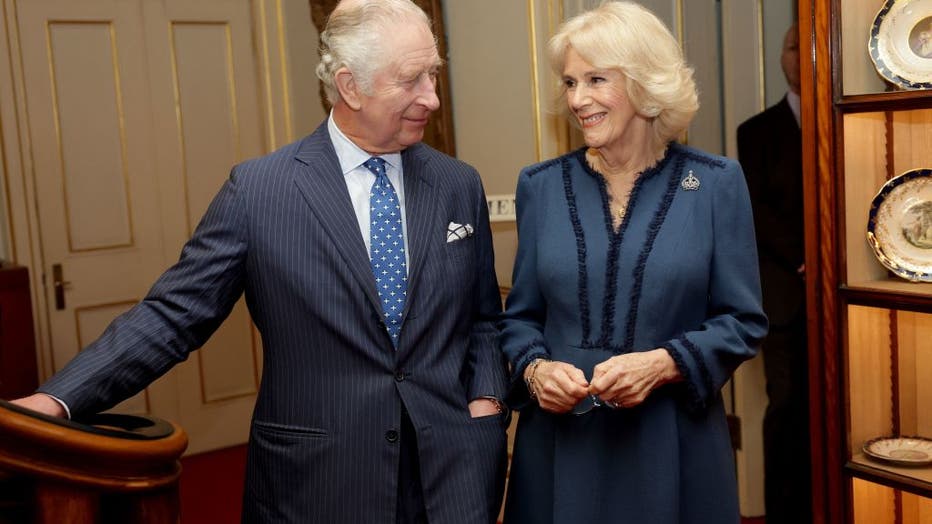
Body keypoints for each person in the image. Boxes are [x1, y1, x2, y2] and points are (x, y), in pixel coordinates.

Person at [12, 0, 509, 522]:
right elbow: (172, 315)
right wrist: (57, 401)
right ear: (350, 86)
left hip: (450, 474)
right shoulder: (259, 191)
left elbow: (482, 320)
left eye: (433, 74)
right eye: (411, 80)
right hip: (318, 481)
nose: (431, 97)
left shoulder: (458, 183)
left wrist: (487, 404)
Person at [498, 2, 768, 523]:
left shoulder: (715, 183)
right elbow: (520, 317)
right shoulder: (541, 186)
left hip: (672, 444)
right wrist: (535, 370)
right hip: (561, 446)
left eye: (596, 79)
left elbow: (742, 321)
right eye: (570, 82)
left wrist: (663, 363)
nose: (578, 99)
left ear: (646, 83)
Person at [737, 23, 811, 524]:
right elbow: (756, 213)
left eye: (808, 47)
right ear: (781, 58)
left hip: (847, 296)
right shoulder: (756, 131)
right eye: (791, 47)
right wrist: (809, 258)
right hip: (784, 296)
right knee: (786, 408)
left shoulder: (850, 120)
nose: (799, 56)